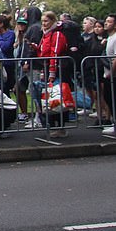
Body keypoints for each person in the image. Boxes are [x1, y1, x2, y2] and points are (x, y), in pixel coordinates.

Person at [35, 11, 73, 139]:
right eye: (42, 22)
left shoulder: (56, 35)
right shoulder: (45, 35)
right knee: (49, 98)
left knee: (57, 98)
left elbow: (54, 54)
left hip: (57, 69)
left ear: (52, 21)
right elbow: (43, 53)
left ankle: (61, 127)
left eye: (46, 21)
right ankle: (53, 125)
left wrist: (52, 72)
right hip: (47, 68)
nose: (44, 24)